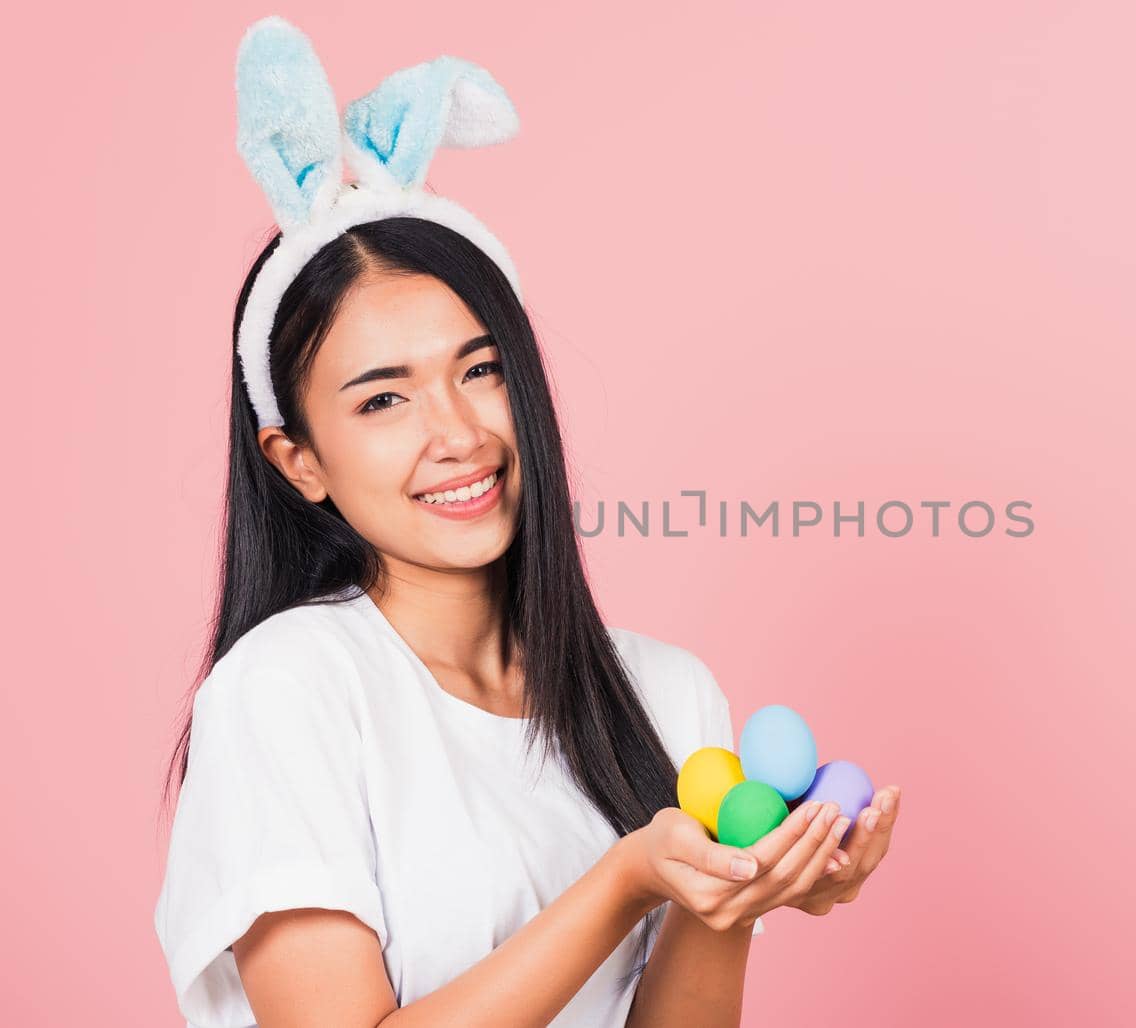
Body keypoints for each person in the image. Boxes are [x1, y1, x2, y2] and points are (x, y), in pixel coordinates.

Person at [152, 18, 902, 1027]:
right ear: (300, 462)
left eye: (481, 369)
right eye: (384, 399)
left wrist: (729, 894)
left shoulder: (667, 694)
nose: (456, 431)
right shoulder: (287, 688)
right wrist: (630, 877)